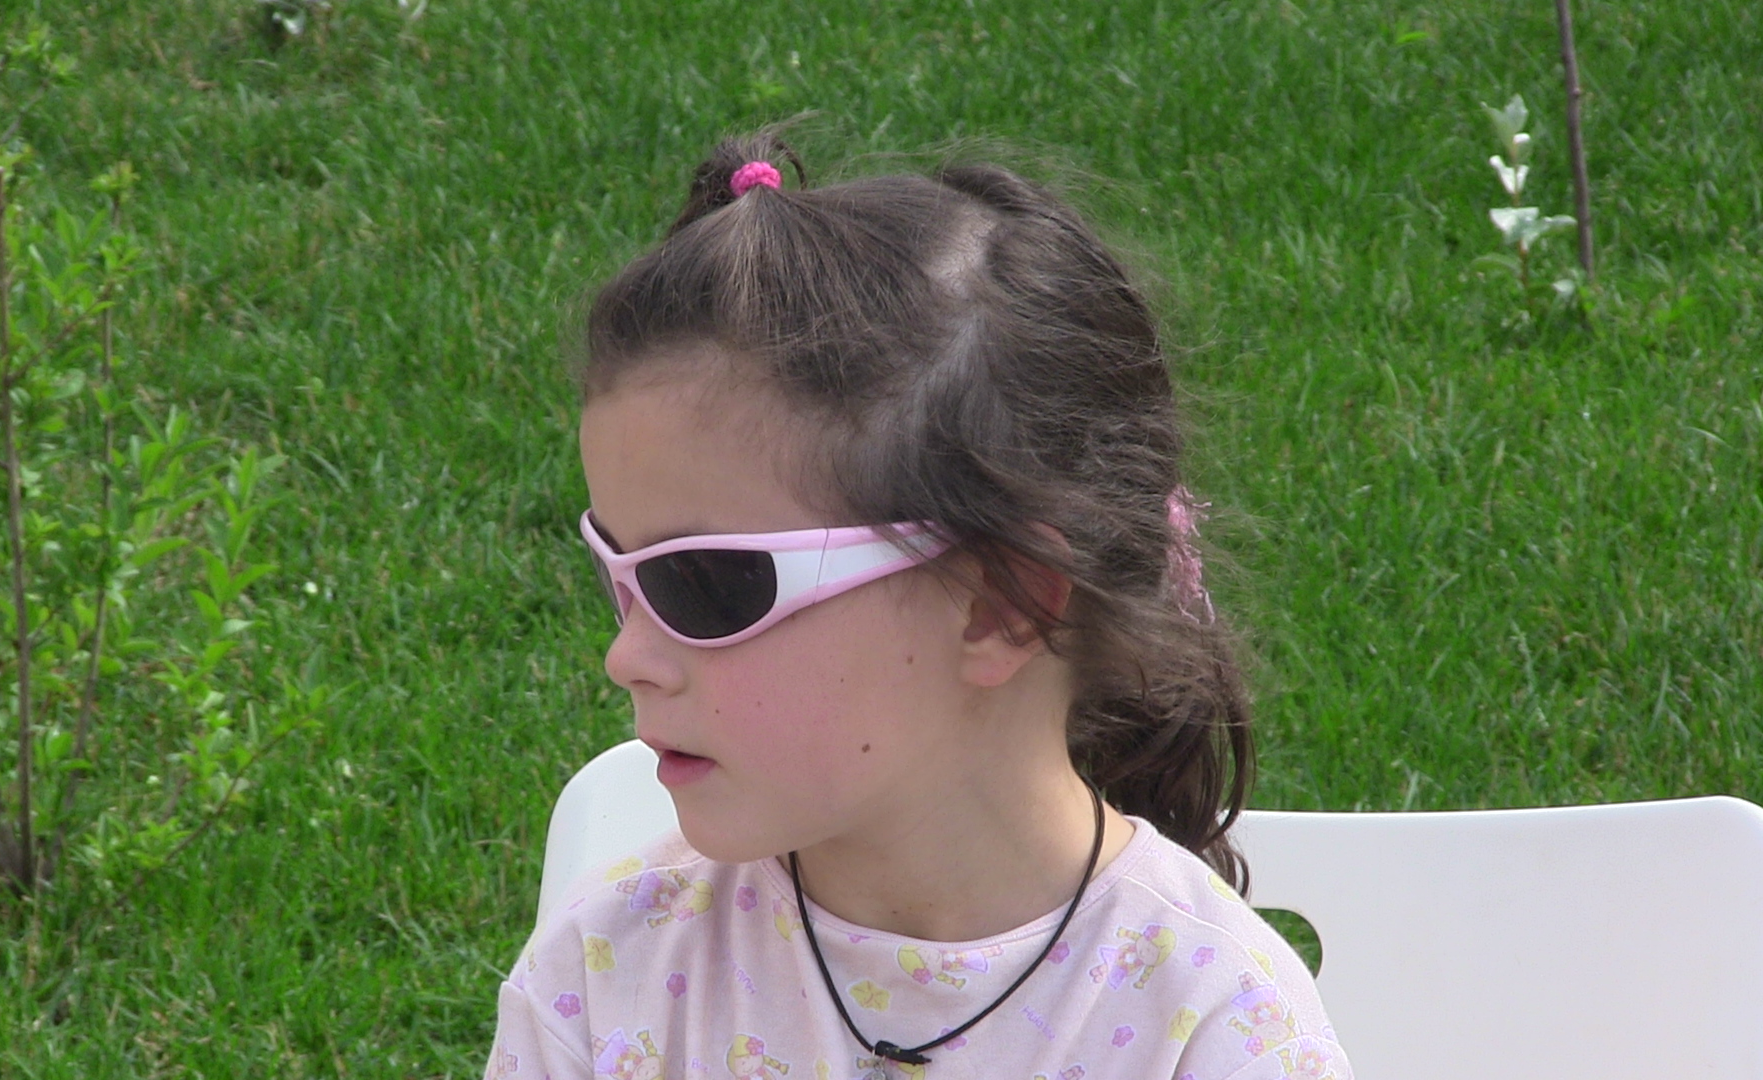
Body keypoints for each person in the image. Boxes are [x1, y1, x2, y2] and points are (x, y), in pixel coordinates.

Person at [486, 130, 1351, 1080]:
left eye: (703, 584)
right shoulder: (606, 976)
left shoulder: (1215, 1028)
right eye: (616, 572)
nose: (626, 656)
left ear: (1000, 605)